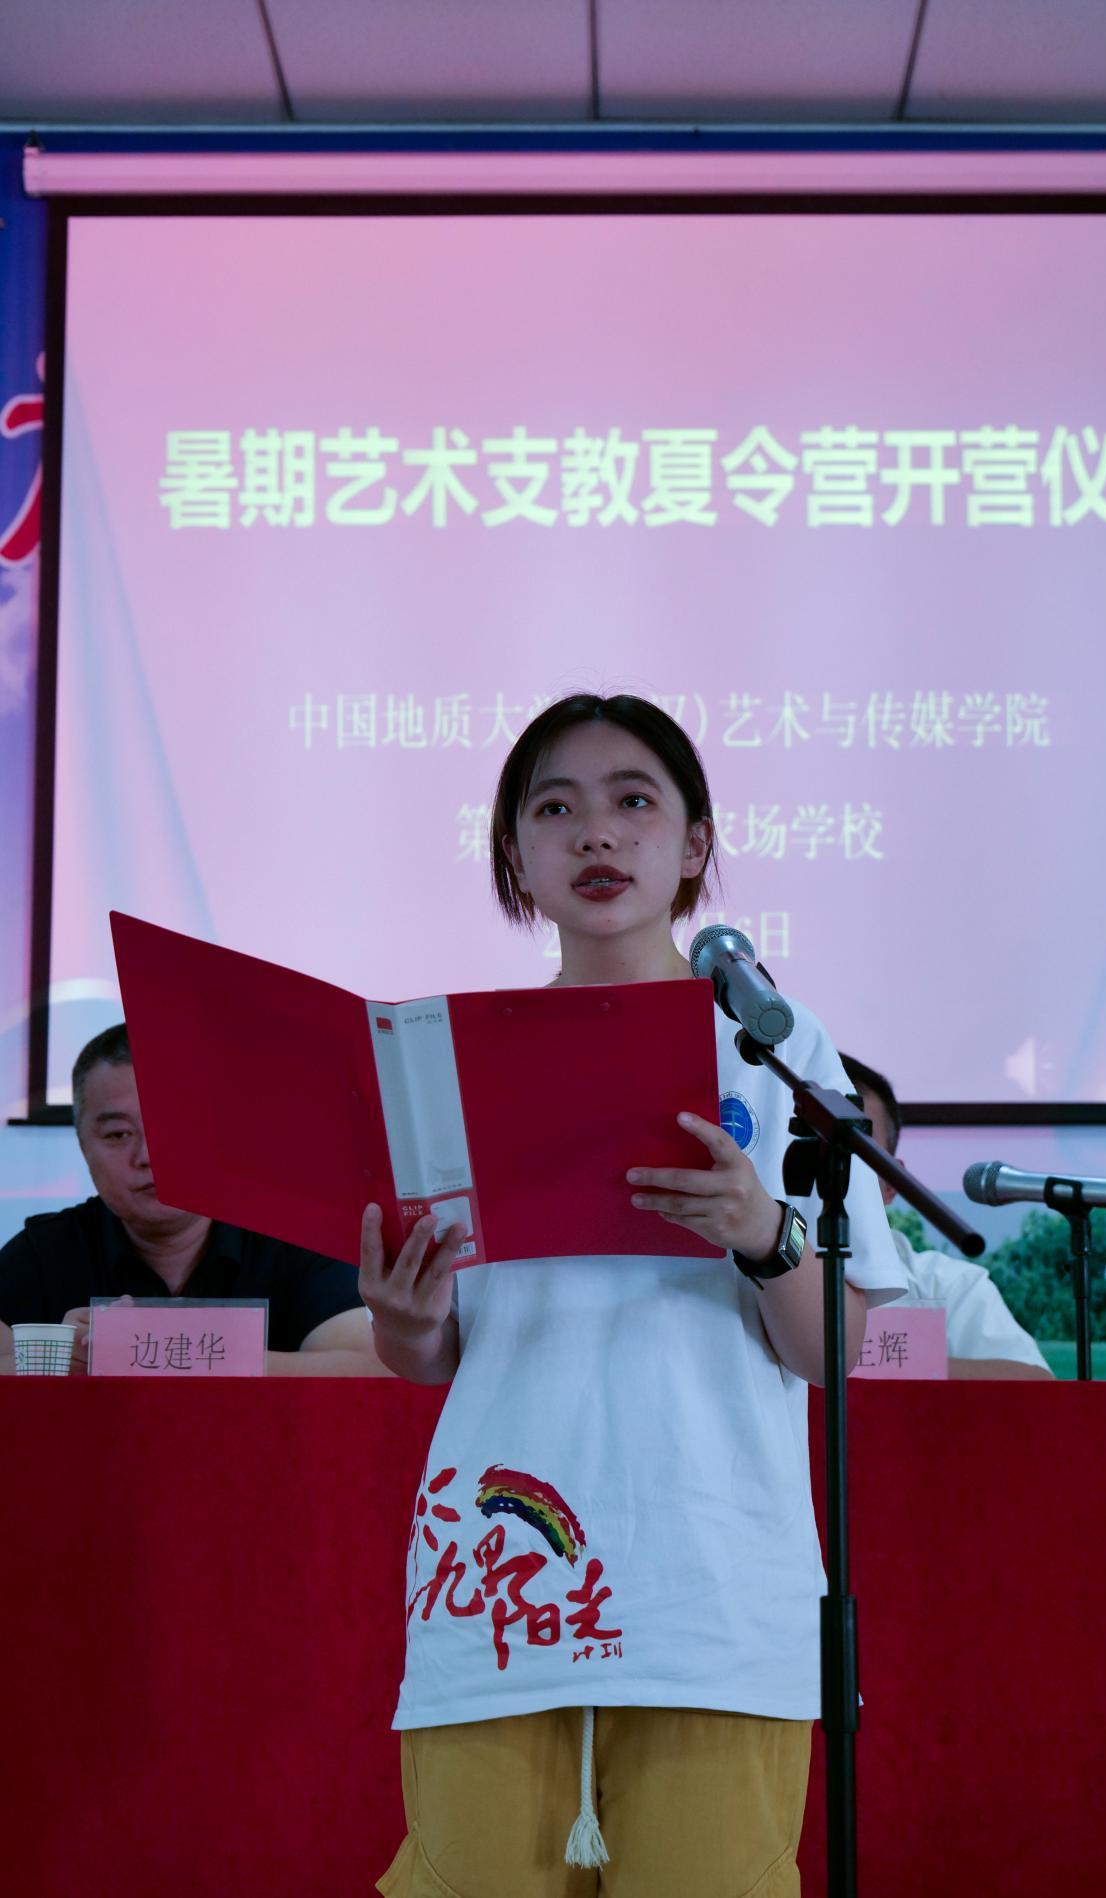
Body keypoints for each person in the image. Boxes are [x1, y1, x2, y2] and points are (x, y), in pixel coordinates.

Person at [359, 694, 907, 1898]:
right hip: (500, 1579)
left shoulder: (773, 1051)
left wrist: (760, 1232)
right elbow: (436, 1354)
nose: (595, 833)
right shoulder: (443, 1059)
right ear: (515, 856)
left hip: (713, 1591)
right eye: (554, 808)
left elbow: (833, 1350)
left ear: (695, 843)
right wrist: (407, 1316)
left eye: (632, 801)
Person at [0, 1023, 389, 1377]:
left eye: (171, 1127)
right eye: (119, 1134)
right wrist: (52, 1358)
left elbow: (370, 1369)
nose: (148, 1156)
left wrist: (174, 1353)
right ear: (83, 1146)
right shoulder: (44, 1252)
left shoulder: (292, 1241)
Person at [841, 1055, 1054, 1381]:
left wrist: (871, 1362)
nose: (828, 1168)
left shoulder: (948, 1285)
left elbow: (1035, 1384)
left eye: (853, 1150)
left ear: (892, 1183)